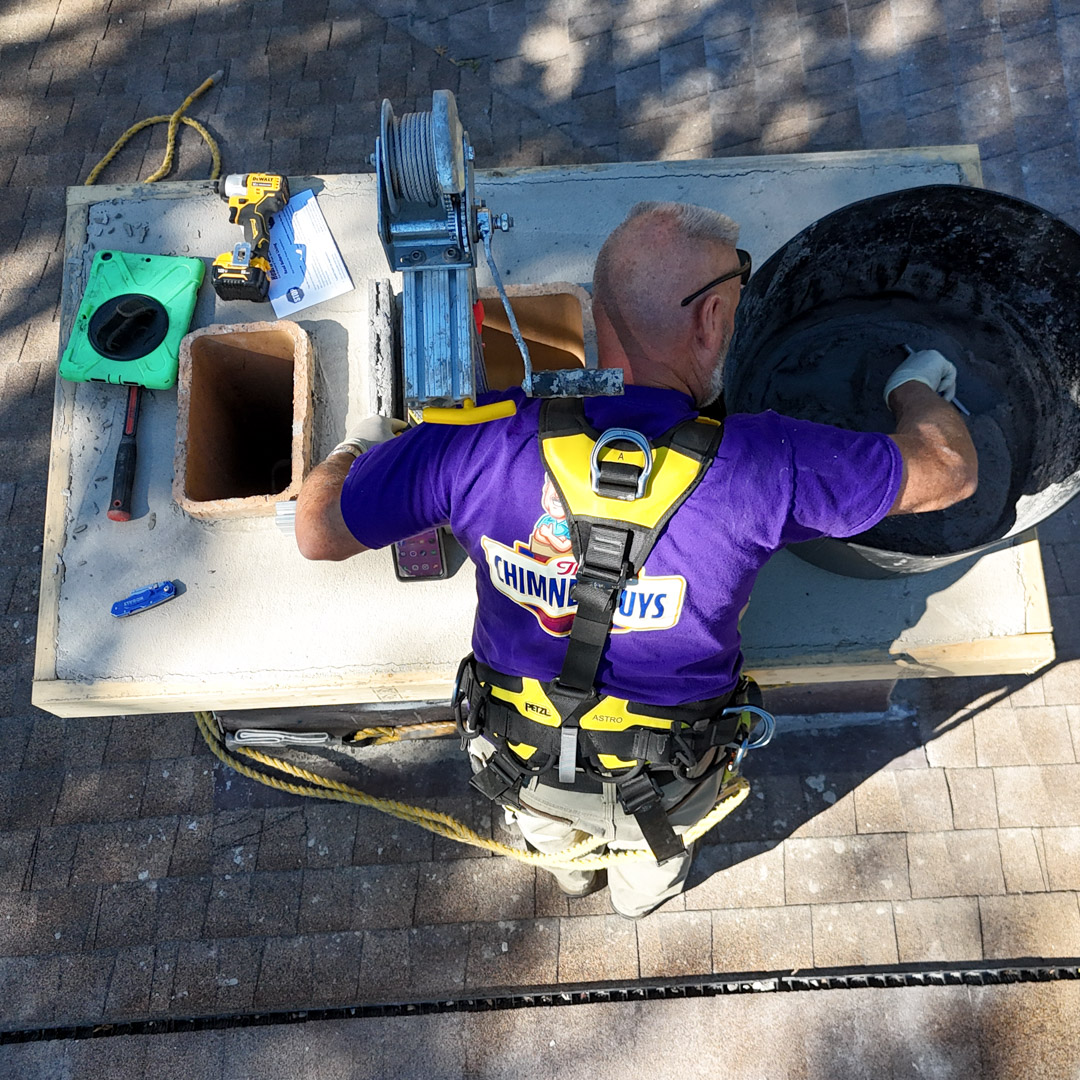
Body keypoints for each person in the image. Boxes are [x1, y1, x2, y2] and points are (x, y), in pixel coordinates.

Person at [295, 201, 977, 918]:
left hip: (516, 755)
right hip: (668, 778)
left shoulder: (477, 441)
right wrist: (915, 385)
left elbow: (318, 530)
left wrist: (361, 450)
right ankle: (635, 902)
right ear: (710, 320)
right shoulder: (763, 466)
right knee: (653, 856)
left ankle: (568, 875)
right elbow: (948, 469)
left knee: (549, 835)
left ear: (599, 314)